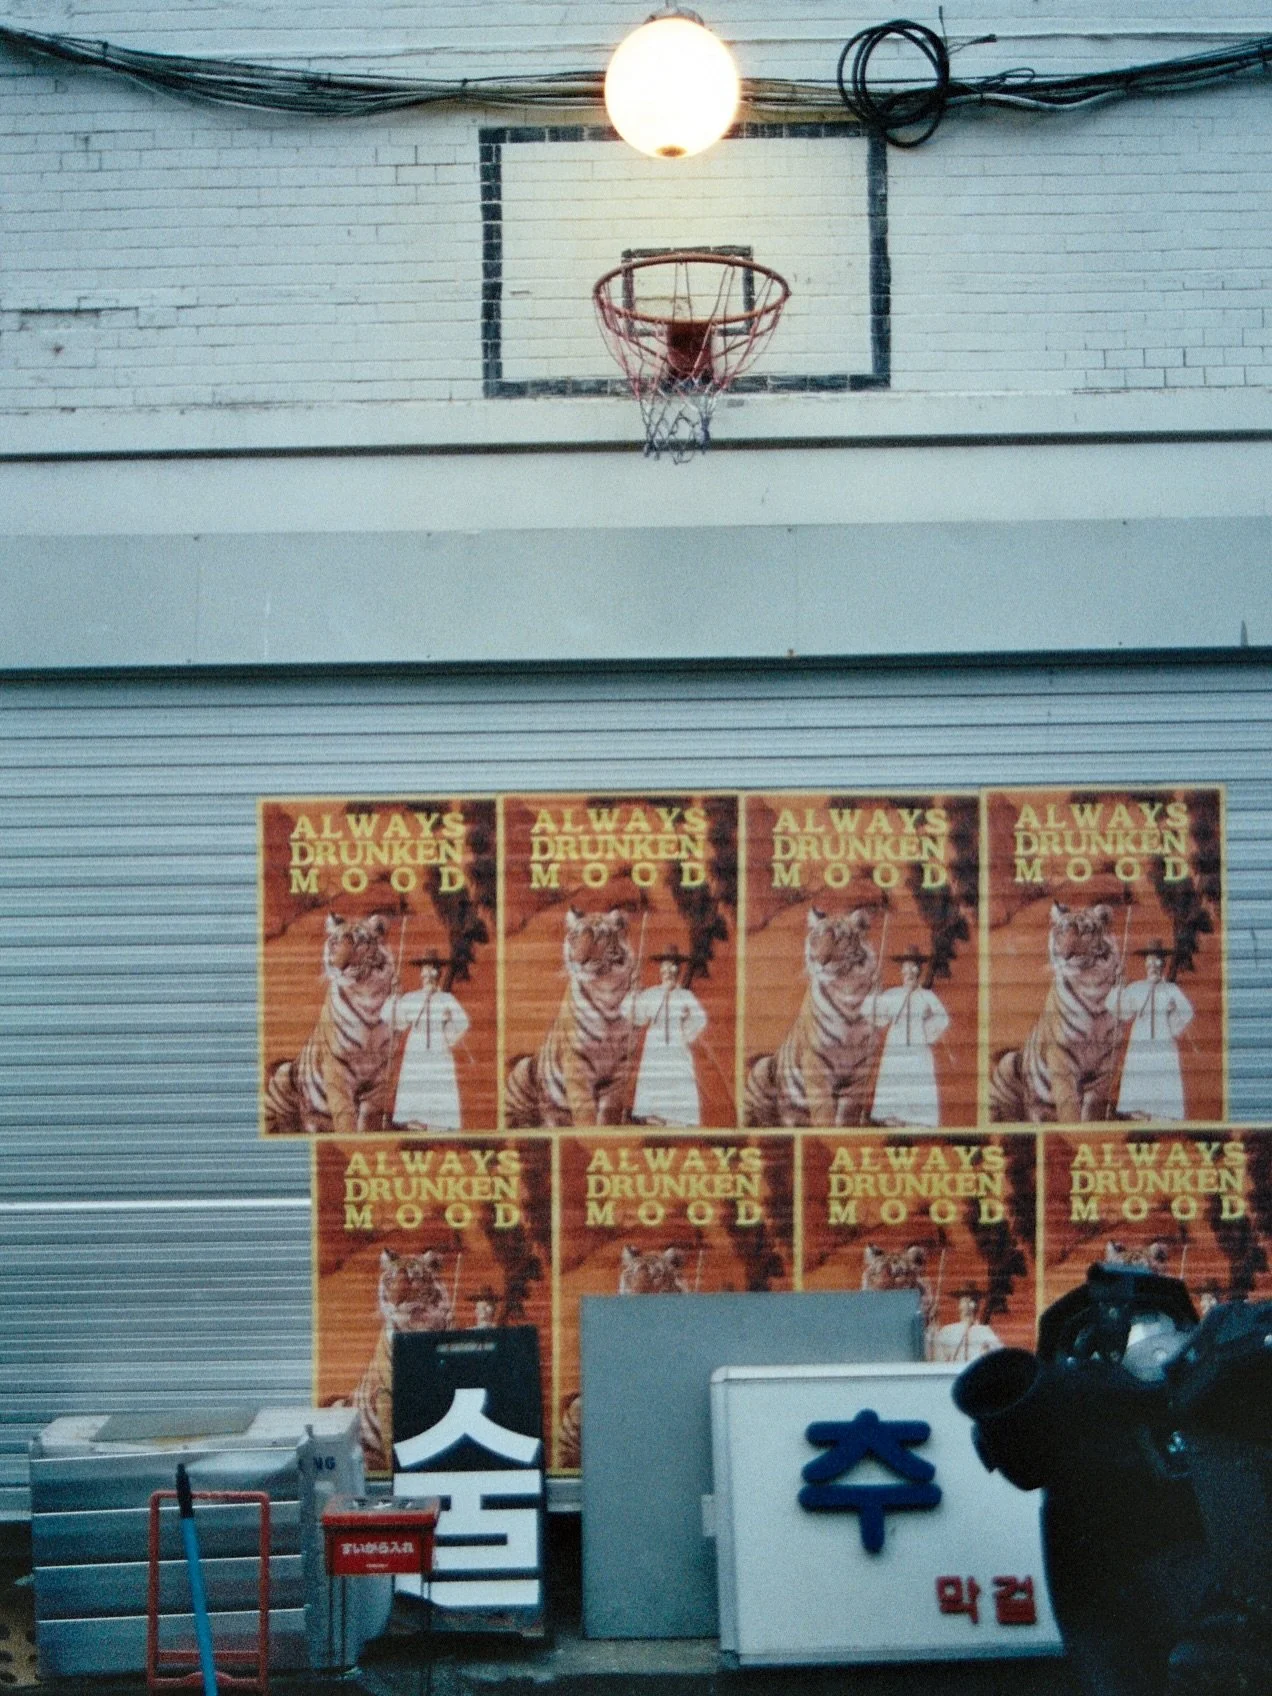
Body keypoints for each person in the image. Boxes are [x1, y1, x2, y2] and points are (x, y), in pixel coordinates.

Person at [862, 946, 950, 1127]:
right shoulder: (893, 995)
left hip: (918, 1051)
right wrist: (874, 989)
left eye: (913, 967)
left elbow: (942, 1018)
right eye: (906, 967)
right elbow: (872, 1014)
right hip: (895, 1051)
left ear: (919, 970)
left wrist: (925, 1030)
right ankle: (893, 1122)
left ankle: (916, 1122)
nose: (909, 972)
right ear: (901, 970)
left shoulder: (927, 996)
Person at [1106, 939, 1194, 1121]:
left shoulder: (1171, 990)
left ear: (1163, 964)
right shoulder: (1137, 988)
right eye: (1150, 961)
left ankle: (1162, 1119)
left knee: (1163, 1082)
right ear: (1146, 964)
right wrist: (1119, 987)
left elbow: (1186, 1014)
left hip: (1164, 1046)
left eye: (1157, 961)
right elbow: (1121, 1010)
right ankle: (1141, 1119)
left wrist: (1173, 1012)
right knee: (1140, 1083)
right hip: (1140, 1046)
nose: (1153, 965)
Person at [381, 951, 469, 1129]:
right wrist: (395, 996)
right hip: (416, 1049)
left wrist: (447, 1032)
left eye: (432, 971)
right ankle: (416, 1125)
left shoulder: (446, 999)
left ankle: (438, 1125)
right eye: (425, 971)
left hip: (438, 1050)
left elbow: (463, 1022)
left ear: (438, 973)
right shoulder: (412, 998)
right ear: (421, 974)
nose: (428, 975)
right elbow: (394, 1020)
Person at [626, 948, 708, 1126]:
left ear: (678, 971)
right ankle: (654, 1120)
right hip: (654, 1049)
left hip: (677, 1048)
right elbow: (636, 1017)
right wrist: (632, 995)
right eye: (665, 967)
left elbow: (699, 1018)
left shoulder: (685, 996)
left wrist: (685, 1035)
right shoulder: (651, 994)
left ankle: (677, 1121)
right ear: (660, 971)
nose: (668, 972)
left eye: (672, 968)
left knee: (678, 1080)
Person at [931, 1287, 1003, 1363]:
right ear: (959, 1305)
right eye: (965, 1301)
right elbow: (938, 1361)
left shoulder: (985, 1331)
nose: (971, 1305)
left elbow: (999, 1356)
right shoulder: (947, 1332)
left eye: (974, 1301)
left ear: (978, 1306)